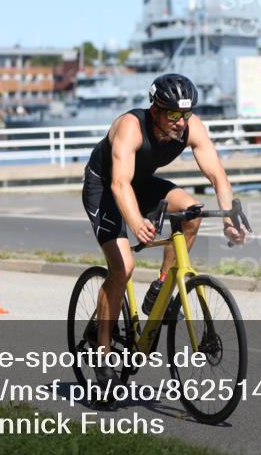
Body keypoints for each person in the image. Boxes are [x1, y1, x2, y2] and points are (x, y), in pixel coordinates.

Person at [81, 73, 247, 386]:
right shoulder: (130, 127)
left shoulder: (191, 126)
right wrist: (135, 222)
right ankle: (102, 353)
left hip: (141, 185)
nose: (181, 122)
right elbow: (118, 184)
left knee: (192, 212)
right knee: (123, 267)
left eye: (185, 114)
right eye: (173, 114)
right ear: (155, 109)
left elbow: (218, 177)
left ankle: (162, 283)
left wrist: (229, 217)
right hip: (104, 187)